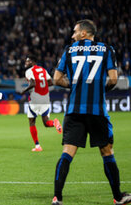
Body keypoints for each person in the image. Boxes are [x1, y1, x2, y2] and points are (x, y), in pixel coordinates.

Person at [51, 19, 131, 205]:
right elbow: (112, 79)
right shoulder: (106, 49)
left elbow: (56, 79)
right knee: (107, 152)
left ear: (84, 34)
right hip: (97, 111)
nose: (72, 35)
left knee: (67, 152)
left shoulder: (69, 50)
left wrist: (73, 85)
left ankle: (57, 197)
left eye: (75, 32)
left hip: (74, 110)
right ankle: (118, 197)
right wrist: (100, 89)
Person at [20, 55, 62, 152]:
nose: (26, 63)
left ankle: (37, 146)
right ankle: (54, 123)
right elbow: (50, 83)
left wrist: (24, 91)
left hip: (35, 98)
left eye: (28, 61)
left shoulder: (29, 71)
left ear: (32, 61)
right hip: (45, 98)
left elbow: (33, 83)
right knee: (46, 123)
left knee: (32, 121)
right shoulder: (43, 70)